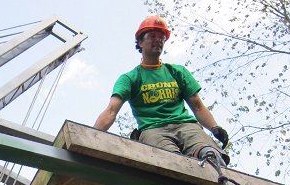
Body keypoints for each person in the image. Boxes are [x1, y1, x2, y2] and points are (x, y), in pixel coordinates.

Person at [93, 14, 230, 165]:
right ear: (140, 41)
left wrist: (214, 127)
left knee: (212, 157)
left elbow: (197, 106)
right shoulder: (130, 78)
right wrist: (92, 136)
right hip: (153, 130)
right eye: (152, 36)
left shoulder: (177, 72)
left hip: (186, 126)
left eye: (162, 37)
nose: (158, 40)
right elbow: (111, 111)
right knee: (171, 163)